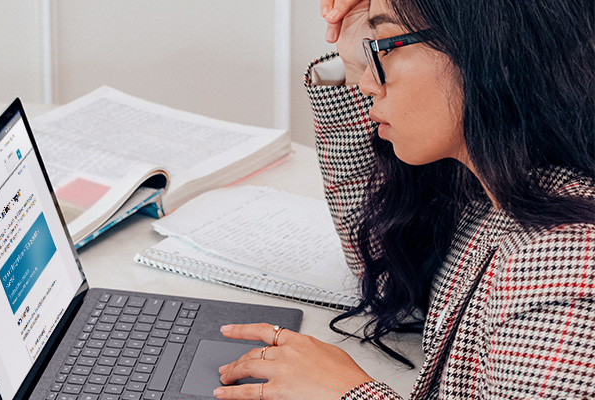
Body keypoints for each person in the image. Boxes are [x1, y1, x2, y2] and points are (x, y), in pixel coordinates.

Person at [213, 0, 595, 398]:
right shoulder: (501, 192)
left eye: (386, 45)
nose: (364, 85)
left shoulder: (568, 260)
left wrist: (345, 392)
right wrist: (359, 53)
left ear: (495, 48)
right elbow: (386, 265)